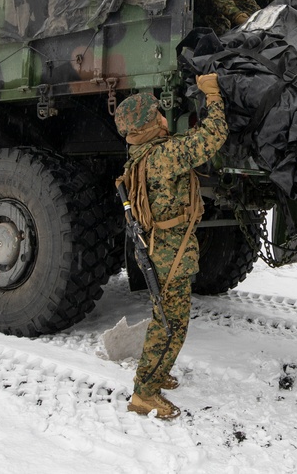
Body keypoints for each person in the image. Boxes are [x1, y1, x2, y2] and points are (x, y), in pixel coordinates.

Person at [114, 73, 228, 419]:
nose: (165, 118)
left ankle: (158, 372)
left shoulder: (142, 155)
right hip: (168, 253)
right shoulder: (163, 157)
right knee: (167, 321)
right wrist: (214, 98)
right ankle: (143, 393)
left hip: (162, 250)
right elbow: (213, 136)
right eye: (159, 114)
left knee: (173, 318)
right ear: (150, 122)